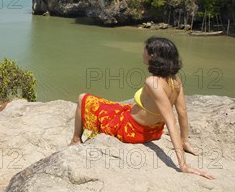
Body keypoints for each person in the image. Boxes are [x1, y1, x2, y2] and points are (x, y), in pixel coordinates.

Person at [69, 37, 215, 179]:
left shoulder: (152, 82)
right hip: (154, 131)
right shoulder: (175, 80)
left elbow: (171, 121)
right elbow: (182, 112)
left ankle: (76, 139)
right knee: (116, 107)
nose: (142, 53)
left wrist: (183, 165)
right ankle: (79, 138)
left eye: (145, 50)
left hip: (131, 130)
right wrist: (185, 141)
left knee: (83, 98)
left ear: (152, 56)